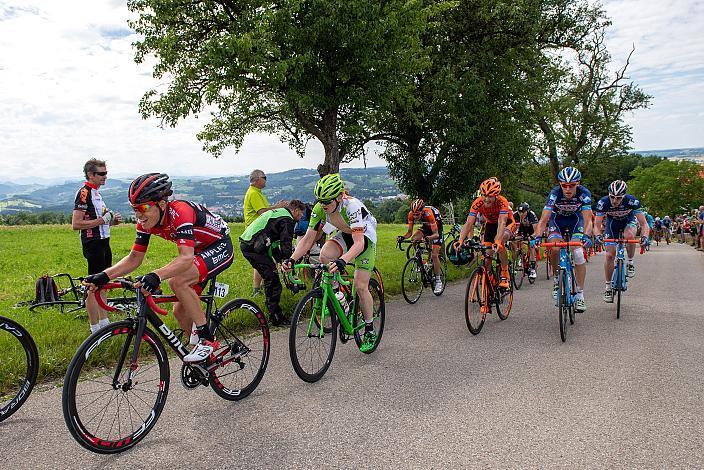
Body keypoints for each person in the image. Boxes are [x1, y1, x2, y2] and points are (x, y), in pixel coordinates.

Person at [84, 173, 234, 363]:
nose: (138, 215)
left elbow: (186, 258)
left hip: (219, 246)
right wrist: (103, 276)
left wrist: (156, 275)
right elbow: (134, 258)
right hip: (197, 250)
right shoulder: (145, 222)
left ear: (162, 204)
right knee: (179, 311)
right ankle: (204, 360)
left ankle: (208, 340)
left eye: (143, 208)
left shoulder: (180, 212)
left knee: (178, 282)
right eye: (134, 208)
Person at [282, 173, 380, 353]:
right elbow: (307, 240)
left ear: (339, 197)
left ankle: (369, 329)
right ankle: (338, 294)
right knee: (324, 255)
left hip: (364, 239)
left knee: (360, 285)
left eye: (327, 201)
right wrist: (292, 258)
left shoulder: (352, 207)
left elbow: (358, 243)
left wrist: (343, 261)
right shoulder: (320, 209)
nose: (323, 205)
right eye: (320, 201)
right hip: (346, 233)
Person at [72, 158, 122, 334]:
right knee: (92, 285)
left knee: (104, 281)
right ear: (90, 174)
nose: (105, 177)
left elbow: (101, 221)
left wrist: (112, 221)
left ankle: (104, 321)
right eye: (101, 174)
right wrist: (102, 220)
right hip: (92, 243)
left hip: (104, 242)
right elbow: (76, 224)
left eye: (106, 173)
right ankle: (94, 327)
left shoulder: (97, 194)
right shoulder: (84, 193)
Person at [535, 166, 592, 313]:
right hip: (557, 221)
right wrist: (537, 236)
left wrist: (586, 235)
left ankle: (580, 294)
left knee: (578, 252)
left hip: (576, 221)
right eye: (564, 185)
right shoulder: (554, 194)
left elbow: (588, 219)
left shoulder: (584, 194)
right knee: (554, 248)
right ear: (560, 184)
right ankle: (556, 279)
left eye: (572, 185)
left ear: (578, 183)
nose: (567, 189)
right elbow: (544, 219)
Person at [239, 200, 306, 326]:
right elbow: (286, 243)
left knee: (272, 278)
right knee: (273, 280)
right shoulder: (287, 219)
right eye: (301, 213)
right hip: (253, 247)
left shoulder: (279, 214)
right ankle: (275, 317)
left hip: (250, 244)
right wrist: (288, 262)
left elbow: (274, 243)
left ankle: (273, 313)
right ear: (295, 210)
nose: (301, 217)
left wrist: (281, 260)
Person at [593, 180, 650, 302]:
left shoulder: (632, 201)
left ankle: (630, 262)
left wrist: (645, 236)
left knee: (629, 236)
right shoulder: (603, 202)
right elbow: (596, 225)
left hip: (628, 221)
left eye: (618, 198)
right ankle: (608, 287)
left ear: (624, 196)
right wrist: (598, 236)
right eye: (612, 197)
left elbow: (644, 224)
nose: (614, 201)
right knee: (609, 255)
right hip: (612, 224)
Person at [455, 178, 517, 289]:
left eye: (490, 196)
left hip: (507, 223)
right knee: (487, 255)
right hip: (491, 224)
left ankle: (505, 273)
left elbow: (502, 222)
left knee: (502, 240)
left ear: (496, 196)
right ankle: (490, 281)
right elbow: (469, 222)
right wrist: (460, 240)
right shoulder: (478, 202)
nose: (486, 199)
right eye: (484, 195)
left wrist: (497, 241)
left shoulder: (502, 202)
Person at [243, 169, 286, 296]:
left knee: (267, 259)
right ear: (256, 179)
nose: (266, 179)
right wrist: (278, 207)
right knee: (263, 260)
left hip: (259, 232)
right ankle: (258, 289)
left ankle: (262, 286)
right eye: (264, 177)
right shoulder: (254, 193)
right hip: (258, 233)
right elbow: (262, 212)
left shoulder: (256, 192)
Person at [397, 198, 444, 294]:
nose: (415, 216)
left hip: (436, 229)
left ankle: (438, 281)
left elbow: (436, 235)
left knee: (435, 255)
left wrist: (428, 238)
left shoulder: (429, 213)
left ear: (422, 211)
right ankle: (422, 262)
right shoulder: (411, 214)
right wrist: (403, 238)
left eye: (417, 214)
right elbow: (409, 233)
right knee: (414, 239)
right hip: (426, 227)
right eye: (413, 214)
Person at [513, 202, 539, 281]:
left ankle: (533, 269)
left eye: (523, 212)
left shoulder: (531, 215)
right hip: (521, 230)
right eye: (519, 212)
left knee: (531, 247)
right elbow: (512, 227)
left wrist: (532, 237)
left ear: (527, 211)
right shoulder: (515, 215)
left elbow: (536, 230)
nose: (521, 214)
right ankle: (520, 255)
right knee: (514, 241)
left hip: (531, 230)